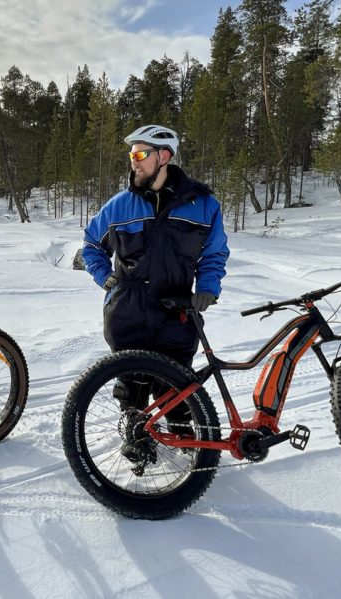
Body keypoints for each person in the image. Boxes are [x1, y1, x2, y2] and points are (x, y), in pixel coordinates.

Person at [82, 125, 229, 443]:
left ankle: (183, 439)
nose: (132, 161)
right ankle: (135, 439)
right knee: (131, 385)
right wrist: (104, 277)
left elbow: (215, 253)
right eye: (131, 155)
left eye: (139, 154)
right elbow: (91, 245)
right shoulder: (120, 205)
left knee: (177, 385)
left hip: (176, 309)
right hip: (128, 308)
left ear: (164, 156)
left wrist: (207, 287)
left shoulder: (203, 205)